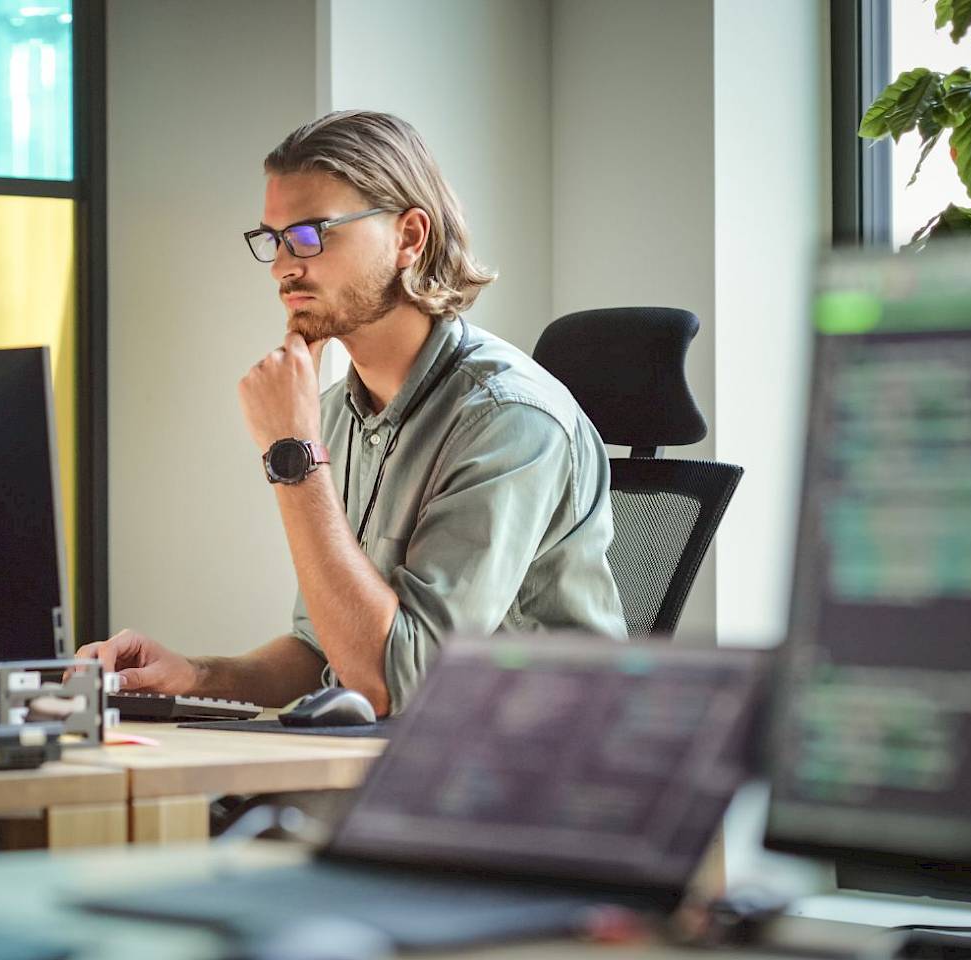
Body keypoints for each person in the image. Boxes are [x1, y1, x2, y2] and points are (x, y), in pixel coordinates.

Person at [82, 110, 625, 716]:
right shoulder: (337, 414)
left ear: (409, 237)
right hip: (408, 754)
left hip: (531, 762)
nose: (284, 266)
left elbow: (394, 684)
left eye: (310, 233)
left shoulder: (509, 421)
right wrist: (194, 675)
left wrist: (293, 456)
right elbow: (324, 652)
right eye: (273, 239)